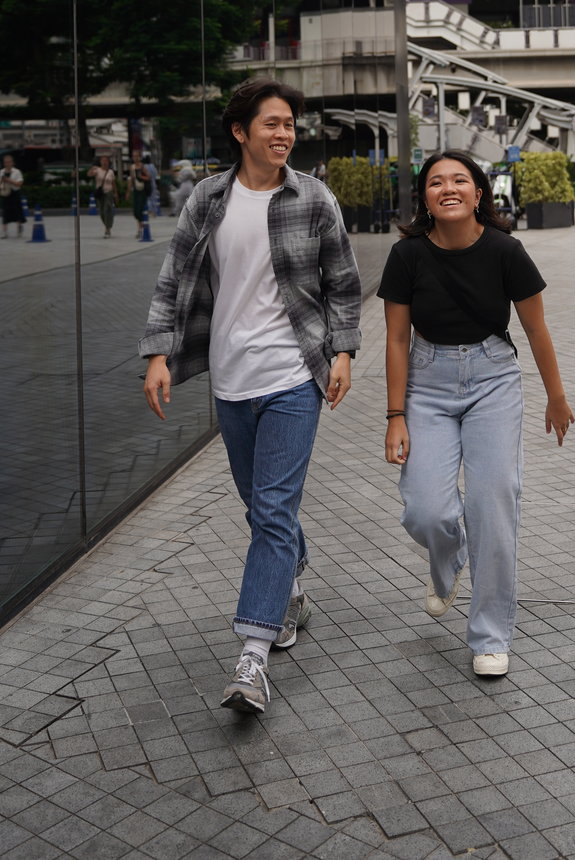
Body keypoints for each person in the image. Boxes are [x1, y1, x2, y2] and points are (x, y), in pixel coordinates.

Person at [140, 78, 361, 716]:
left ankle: (251, 658)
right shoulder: (208, 199)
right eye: (271, 123)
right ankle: (291, 583)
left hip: (295, 375)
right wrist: (158, 354)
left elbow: (343, 283)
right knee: (263, 507)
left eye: (289, 123)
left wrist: (342, 351)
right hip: (229, 378)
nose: (284, 133)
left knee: (269, 510)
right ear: (241, 132)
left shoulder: (314, 198)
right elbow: (174, 277)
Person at [378, 150, 575, 679]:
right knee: (426, 510)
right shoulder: (407, 256)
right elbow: (396, 338)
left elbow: (536, 329)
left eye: (460, 180)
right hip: (427, 381)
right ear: (424, 197)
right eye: (436, 181)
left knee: (493, 504)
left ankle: (490, 635)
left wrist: (556, 397)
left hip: (492, 378)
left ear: (479, 193)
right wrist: (395, 414)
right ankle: (449, 558)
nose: (448, 188)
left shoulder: (506, 251)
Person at [88, 154, 118, 238]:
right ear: (100, 162)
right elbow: (89, 174)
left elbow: (113, 183)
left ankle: (107, 229)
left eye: (106, 161)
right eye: (103, 161)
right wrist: (92, 168)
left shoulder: (111, 172)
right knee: (101, 212)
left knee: (107, 209)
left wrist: (116, 193)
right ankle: (107, 225)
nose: (104, 162)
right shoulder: (97, 170)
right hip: (100, 193)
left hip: (109, 192)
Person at [0, 154, 25, 238]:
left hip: (15, 194)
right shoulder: (1, 172)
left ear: (12, 163)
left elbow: (19, 183)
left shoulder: (17, 172)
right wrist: (1, 180)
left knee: (17, 212)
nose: (7, 164)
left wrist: (8, 180)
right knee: (5, 213)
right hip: (5, 194)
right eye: (5, 162)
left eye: (9, 162)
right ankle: (5, 233)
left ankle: (19, 229)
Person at [127, 150, 151, 232]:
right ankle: (140, 226)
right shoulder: (132, 167)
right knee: (136, 210)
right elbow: (131, 180)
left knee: (140, 209)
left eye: (137, 156)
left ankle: (140, 228)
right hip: (136, 190)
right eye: (134, 156)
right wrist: (128, 191)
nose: (135, 158)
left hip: (142, 190)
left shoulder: (142, 167)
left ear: (139, 157)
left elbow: (149, 177)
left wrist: (141, 177)